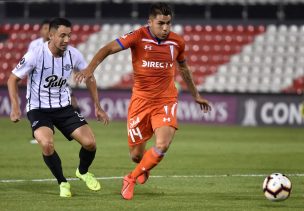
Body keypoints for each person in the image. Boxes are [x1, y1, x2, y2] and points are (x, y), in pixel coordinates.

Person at [75, 2, 212, 200]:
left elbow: (184, 69)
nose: (165, 28)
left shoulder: (177, 42)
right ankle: (143, 165)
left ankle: (130, 178)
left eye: (169, 24)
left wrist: (195, 95)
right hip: (140, 102)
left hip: (166, 100)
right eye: (161, 23)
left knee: (162, 144)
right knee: (136, 156)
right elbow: (107, 48)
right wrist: (90, 69)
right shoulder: (138, 36)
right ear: (150, 22)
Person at [7, 17, 109, 197]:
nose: (67, 40)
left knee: (90, 143)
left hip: (64, 108)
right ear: (51, 35)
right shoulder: (35, 54)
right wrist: (16, 106)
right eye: (62, 36)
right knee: (46, 144)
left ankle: (83, 172)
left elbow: (89, 76)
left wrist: (98, 106)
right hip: (38, 108)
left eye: (69, 36)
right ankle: (62, 182)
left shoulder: (74, 54)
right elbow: (12, 79)